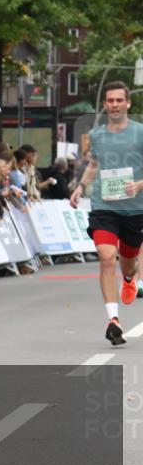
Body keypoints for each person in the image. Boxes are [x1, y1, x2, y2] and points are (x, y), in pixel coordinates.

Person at [70, 81, 143, 346]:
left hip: (135, 208)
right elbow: (94, 165)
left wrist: (139, 184)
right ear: (104, 104)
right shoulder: (98, 135)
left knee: (128, 260)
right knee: (106, 256)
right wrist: (80, 187)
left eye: (119, 101)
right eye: (110, 101)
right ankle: (113, 320)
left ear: (128, 103)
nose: (114, 105)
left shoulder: (140, 133)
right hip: (104, 205)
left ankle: (128, 278)